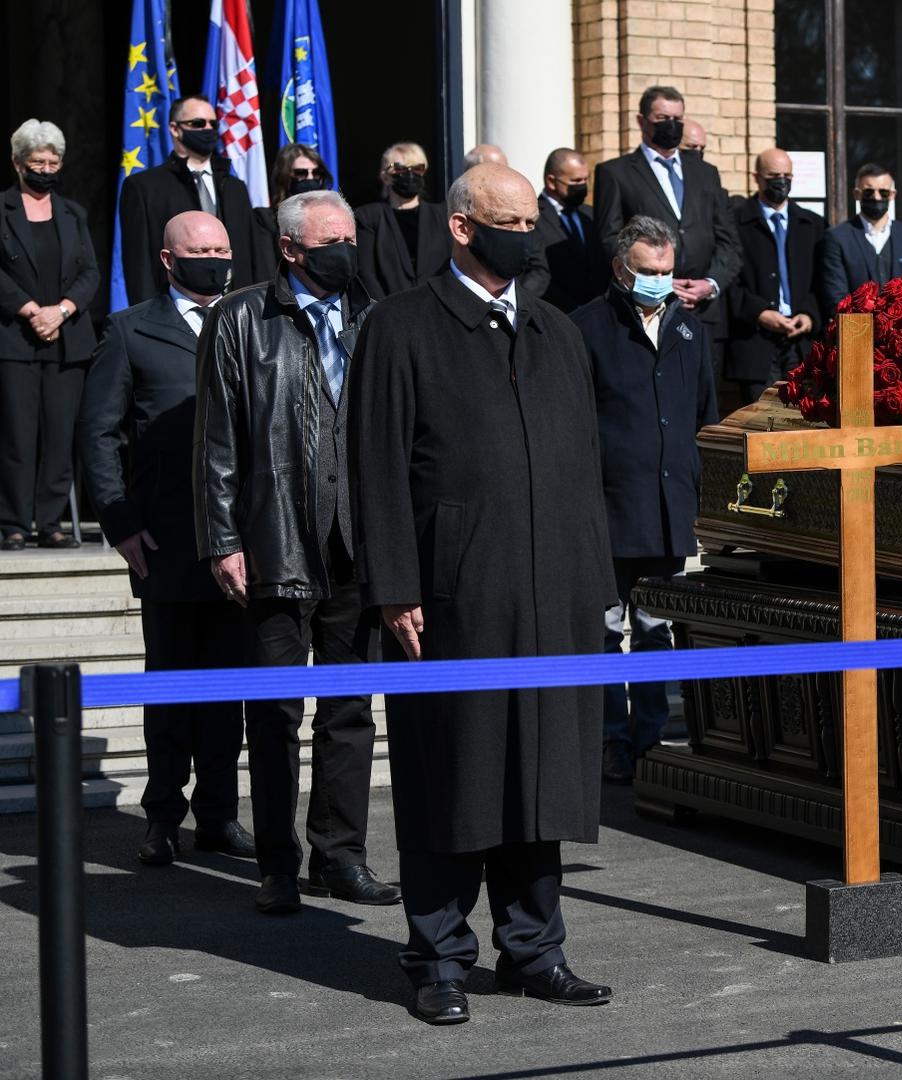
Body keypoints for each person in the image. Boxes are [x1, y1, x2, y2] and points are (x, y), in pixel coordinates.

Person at [349, 162, 616, 1025]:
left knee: (542, 776)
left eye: (533, 221)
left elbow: (584, 470)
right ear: (463, 226)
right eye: (511, 221)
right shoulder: (400, 326)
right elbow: (376, 467)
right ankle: (436, 958)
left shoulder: (553, 331)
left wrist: (596, 589)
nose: (529, 237)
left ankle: (535, 949)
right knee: (450, 777)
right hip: (452, 595)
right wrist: (395, 586)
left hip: (554, 596)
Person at [194, 188, 399, 915]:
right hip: (274, 540)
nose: (345, 250)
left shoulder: (371, 316)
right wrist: (222, 538)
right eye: (329, 239)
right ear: (290, 247)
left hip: (356, 545)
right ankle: (277, 864)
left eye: (350, 237)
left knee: (349, 708)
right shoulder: (240, 318)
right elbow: (217, 439)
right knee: (274, 712)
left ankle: (339, 856)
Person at [77, 210, 252, 865]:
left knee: (229, 688)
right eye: (200, 250)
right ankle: (161, 817)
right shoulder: (129, 331)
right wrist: (120, 524)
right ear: (169, 259)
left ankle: (218, 816)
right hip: (165, 540)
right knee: (172, 685)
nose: (215, 259)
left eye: (223, 248)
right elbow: (99, 432)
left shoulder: (250, 319)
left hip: (239, 539)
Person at [569, 215, 717, 783]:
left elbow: (702, 417)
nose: (659, 280)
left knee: (657, 629)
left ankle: (651, 736)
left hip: (667, 508)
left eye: (667, 271)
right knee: (605, 630)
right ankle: (610, 738)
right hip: (607, 510)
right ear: (619, 268)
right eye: (647, 271)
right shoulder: (585, 329)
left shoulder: (689, 332)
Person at [1, 119, 99, 551]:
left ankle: (51, 522)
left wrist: (60, 311)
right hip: (15, 339)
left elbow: (89, 272)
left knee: (60, 435)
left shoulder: (73, 213)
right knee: (18, 436)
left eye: (52, 161)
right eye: (37, 162)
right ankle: (14, 523)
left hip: (67, 339)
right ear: (18, 164)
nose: (45, 168)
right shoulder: (1, 208)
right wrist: (29, 309)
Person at [594, 87, 742, 356]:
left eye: (678, 118)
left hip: (704, 312)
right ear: (641, 121)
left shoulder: (706, 173)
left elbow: (728, 240)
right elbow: (609, 238)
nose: (671, 125)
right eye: (662, 118)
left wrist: (711, 283)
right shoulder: (615, 173)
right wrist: (658, 280)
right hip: (647, 309)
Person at [119, 94, 256, 304]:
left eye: (213, 124)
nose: (208, 129)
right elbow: (139, 265)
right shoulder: (143, 187)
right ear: (175, 129)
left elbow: (250, 256)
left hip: (235, 309)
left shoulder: (235, 187)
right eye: (198, 123)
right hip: (173, 309)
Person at [727, 148, 824, 405]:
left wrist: (809, 315)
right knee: (761, 422)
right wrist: (758, 312)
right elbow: (728, 281)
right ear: (756, 177)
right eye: (773, 175)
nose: (781, 181)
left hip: (800, 341)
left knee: (804, 421)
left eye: (786, 175)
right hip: (755, 340)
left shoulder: (812, 224)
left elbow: (822, 281)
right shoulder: (734, 222)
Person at [818, 163, 902, 315]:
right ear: (857, 194)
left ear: (892, 195)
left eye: (883, 192)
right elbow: (836, 296)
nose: (876, 197)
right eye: (869, 192)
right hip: (857, 330)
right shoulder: (837, 238)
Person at [353, 143, 452, 301]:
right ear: (385, 176)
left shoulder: (442, 214)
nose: (409, 174)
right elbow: (366, 272)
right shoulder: (368, 217)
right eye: (399, 169)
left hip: (438, 308)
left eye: (417, 168)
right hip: (391, 310)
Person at [534, 147, 606, 312]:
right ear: (552, 181)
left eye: (585, 180)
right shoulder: (532, 217)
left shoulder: (590, 215)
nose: (582, 186)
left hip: (595, 312)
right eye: (575, 181)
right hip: (555, 312)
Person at [251, 143, 331, 283]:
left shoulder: (332, 219)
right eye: (301, 173)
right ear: (285, 177)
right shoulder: (265, 219)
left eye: (316, 173)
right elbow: (267, 271)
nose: (310, 178)